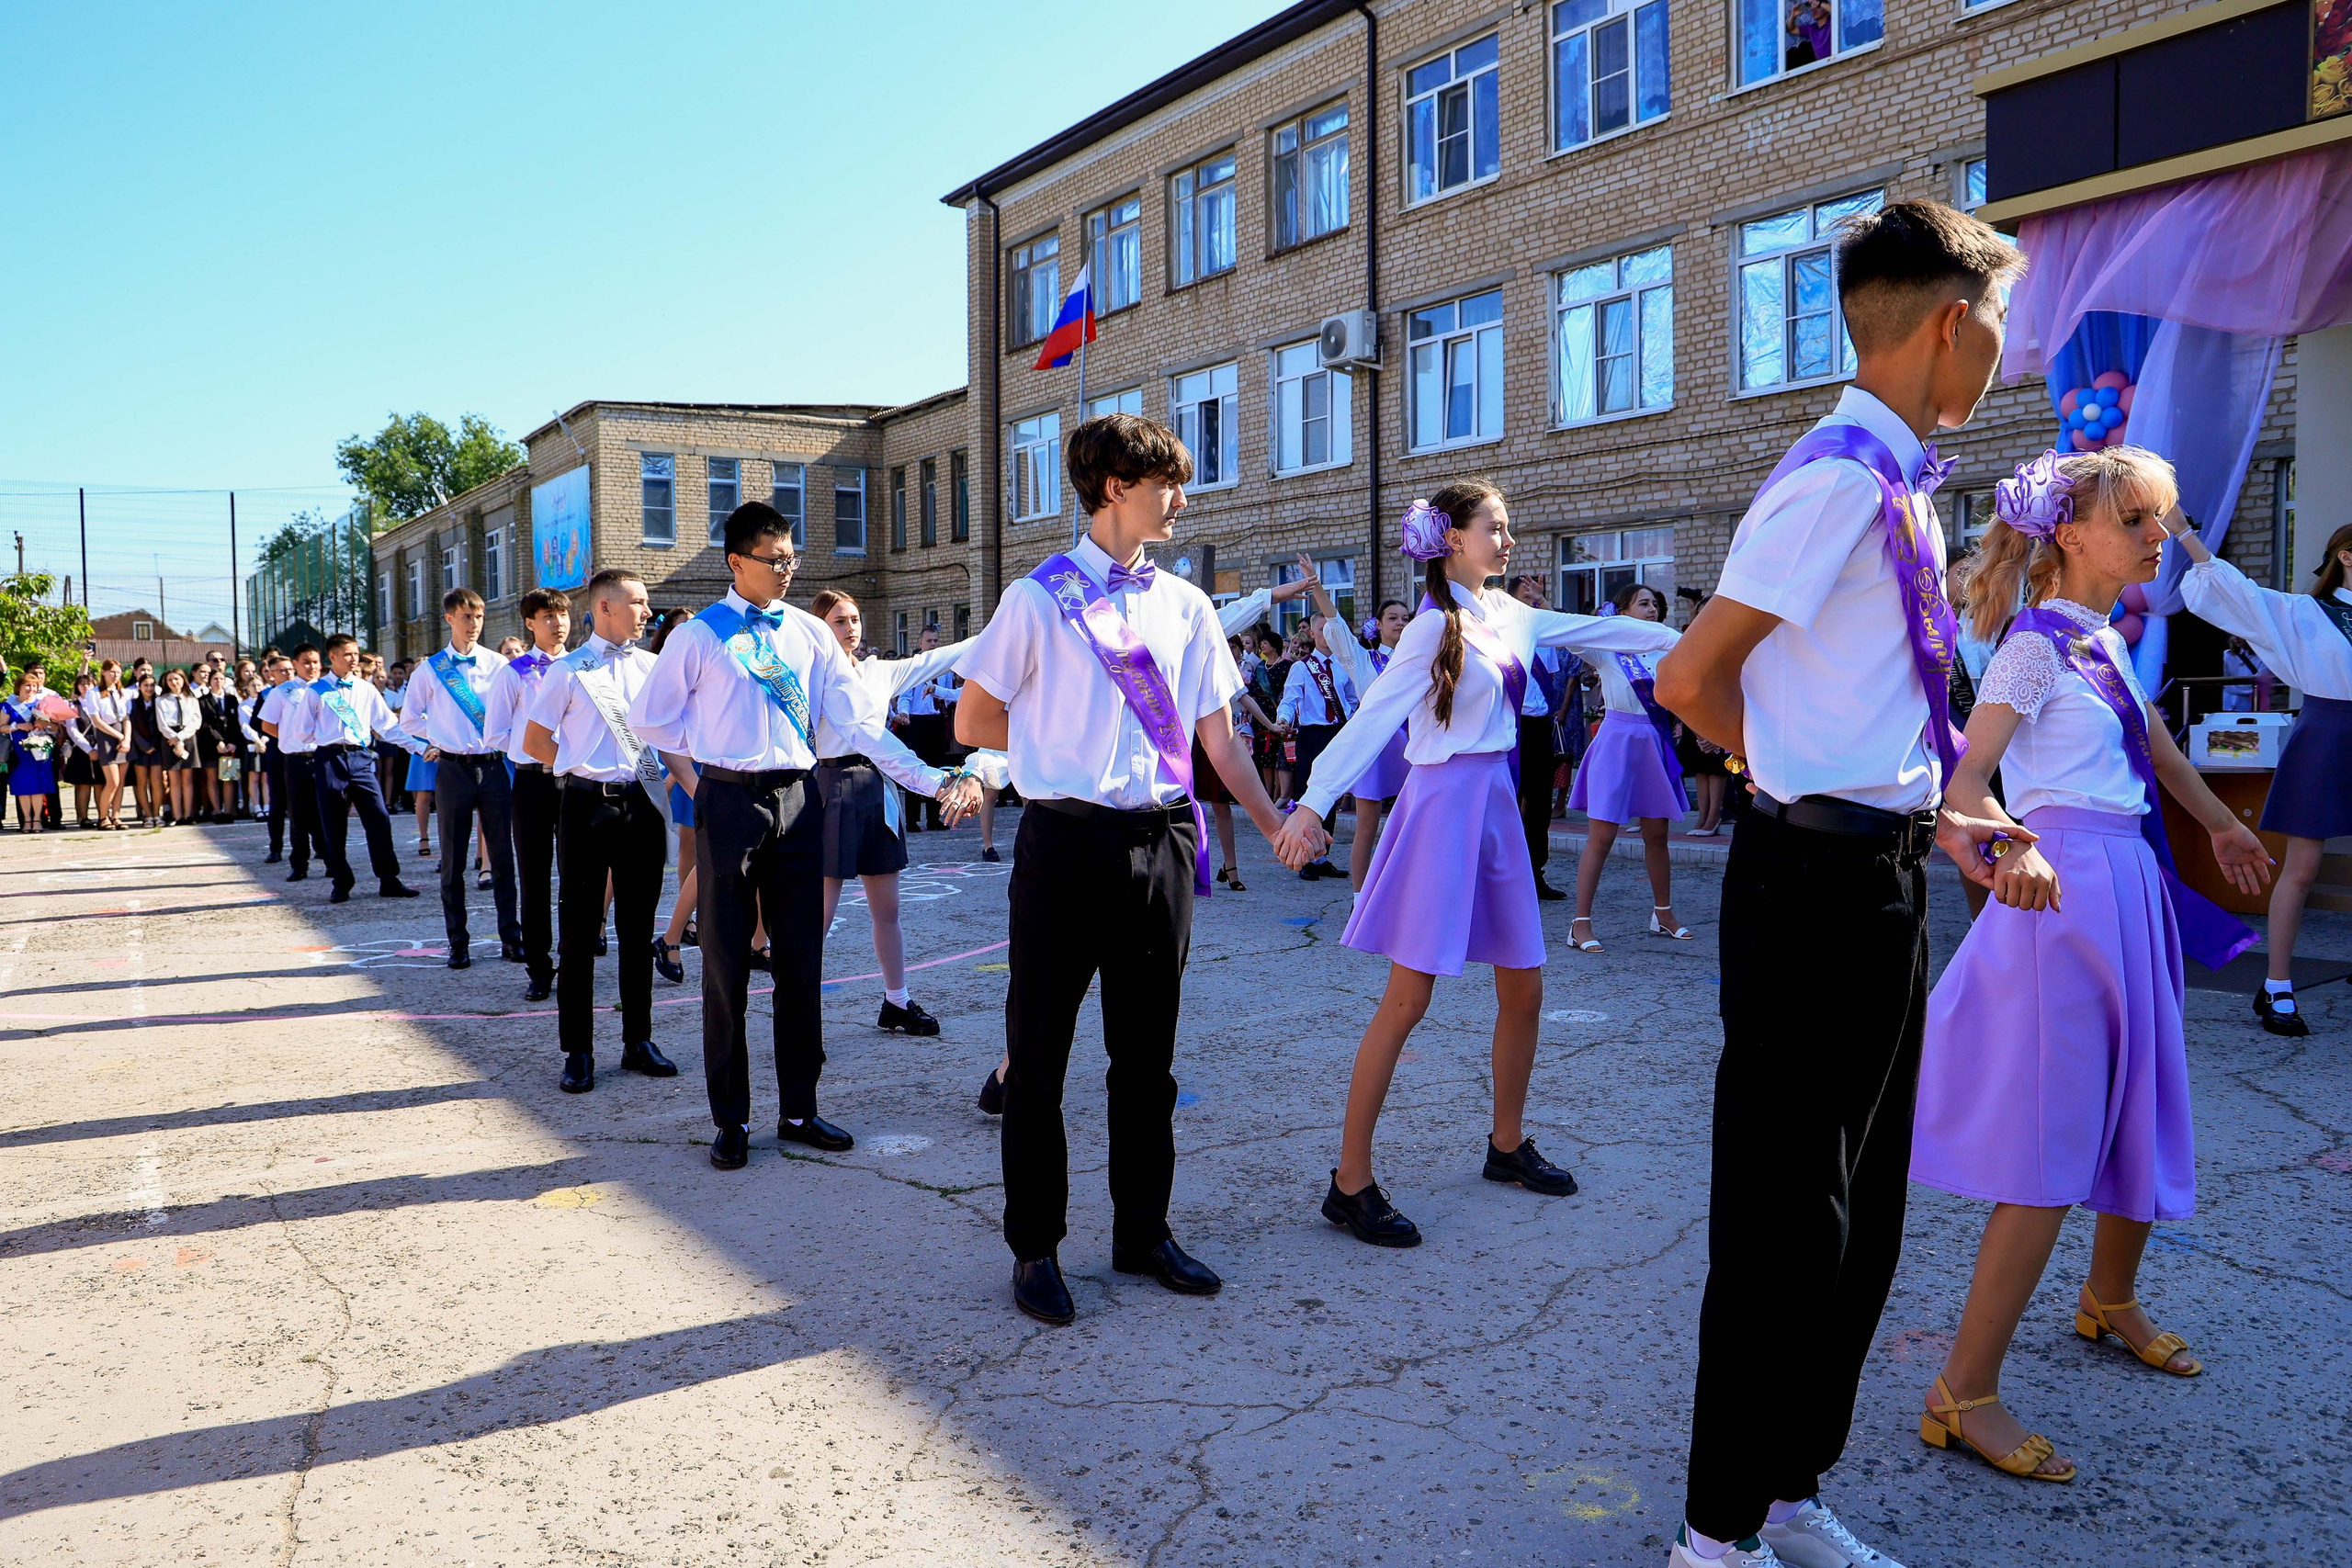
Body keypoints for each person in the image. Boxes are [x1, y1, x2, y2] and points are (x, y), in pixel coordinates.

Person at [1653, 198, 2023, 1568]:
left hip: (1881, 875)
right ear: (1949, 321)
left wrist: (1948, 819)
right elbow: (1690, 680)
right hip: (1809, 883)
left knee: (1856, 1214)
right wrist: (1794, 771)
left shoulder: (1901, 487)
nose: (2001, 352)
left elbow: (1875, 707)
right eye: (1998, 324)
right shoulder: (1832, 480)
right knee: (1780, 1219)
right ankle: (1713, 1532)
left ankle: (1788, 1486)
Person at [1911, 446, 2271, 1485]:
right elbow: (1968, 782)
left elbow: (2152, 745)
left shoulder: (2100, 640)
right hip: (2061, 895)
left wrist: (2219, 828)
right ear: (2072, 535)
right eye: (2138, 518)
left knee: (2136, 1102)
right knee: (2045, 1149)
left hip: (2126, 887)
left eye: (2159, 517)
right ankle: (1960, 1389)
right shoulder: (2034, 646)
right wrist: (2007, 841)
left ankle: (2105, 1298)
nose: (2157, 534)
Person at [954, 413, 1293, 1326]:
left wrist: (1275, 822)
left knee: (1147, 1059)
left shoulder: (1185, 606)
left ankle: (1142, 1233)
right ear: (1114, 488)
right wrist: (1056, 741)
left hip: (1163, 842)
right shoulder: (1038, 598)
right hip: (1065, 841)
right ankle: (1036, 1248)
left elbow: (1217, 736)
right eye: (1166, 484)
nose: (1179, 498)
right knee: (1042, 1057)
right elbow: (973, 720)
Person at [1272, 485, 1675, 1249]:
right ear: (1452, 538)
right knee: (1407, 999)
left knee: (1525, 984)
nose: (1510, 539)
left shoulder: (1510, 614)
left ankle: (1506, 1144)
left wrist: (1703, 635)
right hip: (1442, 807)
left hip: (1494, 805)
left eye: (1508, 527)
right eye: (1496, 527)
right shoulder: (1431, 627)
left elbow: (1604, 629)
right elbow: (1376, 717)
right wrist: (1312, 803)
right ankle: (1349, 1181)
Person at [630, 502, 971, 1170]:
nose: (787, 569)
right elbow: (654, 721)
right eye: (774, 559)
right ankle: (731, 1118)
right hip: (728, 801)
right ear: (737, 561)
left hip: (799, 796)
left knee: (800, 962)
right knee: (726, 964)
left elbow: (859, 725)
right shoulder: (698, 636)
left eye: (792, 558)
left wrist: (931, 779)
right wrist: (711, 770)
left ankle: (798, 1108)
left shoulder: (812, 636)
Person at [2178, 517, 2352, 1035]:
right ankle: (2277, 985)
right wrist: (2183, 534)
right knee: (2302, 868)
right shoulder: (2304, 613)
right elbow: (2236, 591)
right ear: (2347, 555)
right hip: (2327, 732)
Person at [522, 570, 680, 1092]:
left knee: (637, 931)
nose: (647, 611)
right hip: (586, 809)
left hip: (642, 807)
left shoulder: (654, 667)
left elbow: (671, 735)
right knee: (580, 934)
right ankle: (579, 1050)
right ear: (606, 608)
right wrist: (576, 767)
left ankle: (638, 1040)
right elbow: (535, 739)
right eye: (637, 602)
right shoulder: (568, 671)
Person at [807, 590, 985, 1038]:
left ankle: (897, 1001)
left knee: (887, 909)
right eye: (839, 621)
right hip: (833, 786)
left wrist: (1005, 629)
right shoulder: (815, 676)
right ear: (820, 628)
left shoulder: (877, 671)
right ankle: (801, 1012)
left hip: (876, 788)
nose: (851, 628)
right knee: (819, 916)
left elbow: (938, 659)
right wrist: (936, 782)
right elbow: (870, 741)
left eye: (855, 619)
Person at [395, 590, 522, 970]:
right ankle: (458, 942)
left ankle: (511, 938)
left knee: (502, 856)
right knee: (452, 860)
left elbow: (517, 711)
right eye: (466, 617)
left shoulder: (500, 664)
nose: (474, 624)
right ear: (450, 619)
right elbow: (409, 719)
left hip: (495, 766)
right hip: (452, 769)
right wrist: (435, 739)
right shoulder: (431, 669)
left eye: (479, 617)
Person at [1566, 584, 1693, 951]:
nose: (1652, 609)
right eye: (1643, 603)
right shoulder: (1608, 652)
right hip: (1617, 744)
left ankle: (1664, 914)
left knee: (1657, 836)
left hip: (1653, 745)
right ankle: (1580, 924)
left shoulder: (1664, 650)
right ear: (1623, 612)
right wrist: (1543, 606)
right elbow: (1575, 638)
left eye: (1655, 604)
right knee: (1602, 838)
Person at [288, 634, 423, 905]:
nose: (354, 658)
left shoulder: (366, 688)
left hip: (361, 758)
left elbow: (387, 726)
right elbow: (301, 732)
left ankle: (389, 878)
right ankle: (341, 881)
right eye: (348, 654)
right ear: (333, 657)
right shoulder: (316, 691)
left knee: (378, 817)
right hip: (330, 759)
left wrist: (418, 747)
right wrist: (328, 739)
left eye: (356, 653)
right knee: (334, 823)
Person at [486, 588, 572, 1003]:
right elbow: (496, 731)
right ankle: (539, 966)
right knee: (534, 877)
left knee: (577, 876)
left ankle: (575, 961)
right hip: (532, 782)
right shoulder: (515, 672)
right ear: (530, 623)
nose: (557, 623)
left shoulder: (582, 666)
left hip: (576, 782)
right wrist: (528, 752)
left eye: (562, 615)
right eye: (548, 616)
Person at [1314, 586, 1413, 891]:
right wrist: (1317, 587)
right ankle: (1361, 899)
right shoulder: (1364, 660)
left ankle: (1404, 895)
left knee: (1413, 829)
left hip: (1413, 750)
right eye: (1392, 617)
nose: (1399, 623)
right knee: (1366, 828)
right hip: (1374, 751)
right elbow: (1337, 625)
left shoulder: (1419, 660)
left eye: (1405, 618)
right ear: (1378, 625)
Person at [1275, 610, 1357, 881]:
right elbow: (1290, 698)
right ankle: (1304, 857)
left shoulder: (1345, 666)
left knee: (1330, 795)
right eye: (1322, 630)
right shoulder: (1302, 667)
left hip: (1338, 733)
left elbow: (1351, 699)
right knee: (1308, 794)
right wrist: (1284, 718)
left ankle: (1323, 857)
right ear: (1312, 634)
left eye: (1333, 630)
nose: (1328, 636)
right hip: (1312, 735)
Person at [1508, 575, 1575, 900]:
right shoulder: (1498, 636)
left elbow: (1549, 680)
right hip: (1509, 726)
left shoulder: (1542, 636)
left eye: (1535, 599)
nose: (1531, 603)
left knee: (1539, 804)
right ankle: (1501, 875)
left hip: (1538, 727)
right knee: (1507, 800)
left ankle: (1535, 872)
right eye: (1525, 598)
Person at [647, 608, 703, 976]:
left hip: (708, 759)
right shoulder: (656, 668)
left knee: (707, 846)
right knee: (691, 844)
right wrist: (667, 774)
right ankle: (679, 927)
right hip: (679, 761)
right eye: (677, 629)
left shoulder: (704, 659)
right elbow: (655, 728)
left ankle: (757, 941)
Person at [259, 647, 328, 878]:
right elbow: (267, 725)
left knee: (325, 811)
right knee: (297, 813)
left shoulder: (328, 688)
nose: (311, 667)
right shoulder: (283, 691)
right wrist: (291, 738)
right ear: (296, 664)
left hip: (323, 756)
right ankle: (299, 864)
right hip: (296, 758)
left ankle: (331, 859)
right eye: (306, 662)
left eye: (315, 662)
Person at [81, 660, 132, 830]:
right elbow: (96, 721)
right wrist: (118, 736)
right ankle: (103, 816)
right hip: (106, 735)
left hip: (123, 734)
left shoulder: (122, 693)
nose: (115, 675)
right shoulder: (93, 693)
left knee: (121, 781)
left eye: (118, 672)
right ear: (103, 672)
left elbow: (126, 718)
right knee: (112, 781)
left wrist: (126, 739)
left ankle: (116, 815)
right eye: (112, 672)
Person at [4, 670, 56, 831]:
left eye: (34, 686)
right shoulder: (8, 706)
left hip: (38, 751)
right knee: (23, 787)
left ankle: (38, 820)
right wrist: (17, 726)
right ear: (19, 687)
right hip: (19, 753)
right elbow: (1, 727)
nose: (31, 689)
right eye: (28, 685)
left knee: (38, 787)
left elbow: (55, 726)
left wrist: (43, 724)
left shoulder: (41, 705)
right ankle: (26, 820)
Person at [155, 667, 204, 826]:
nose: (174, 682)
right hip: (169, 738)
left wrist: (181, 738)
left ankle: (188, 814)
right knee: (174, 779)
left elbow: (196, 721)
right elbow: (161, 724)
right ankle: (177, 815)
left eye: (177, 679)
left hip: (187, 736)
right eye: (170, 680)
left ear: (183, 680)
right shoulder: (161, 700)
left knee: (187, 779)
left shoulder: (191, 698)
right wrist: (174, 738)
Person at [60, 672, 100, 828]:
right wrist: (89, 749)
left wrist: (97, 748)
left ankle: (103, 815)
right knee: (82, 784)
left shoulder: (100, 703)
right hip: (81, 748)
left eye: (89, 683)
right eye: (82, 683)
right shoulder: (72, 705)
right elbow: (72, 730)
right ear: (77, 687)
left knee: (100, 784)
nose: (85, 686)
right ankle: (82, 817)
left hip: (100, 746)